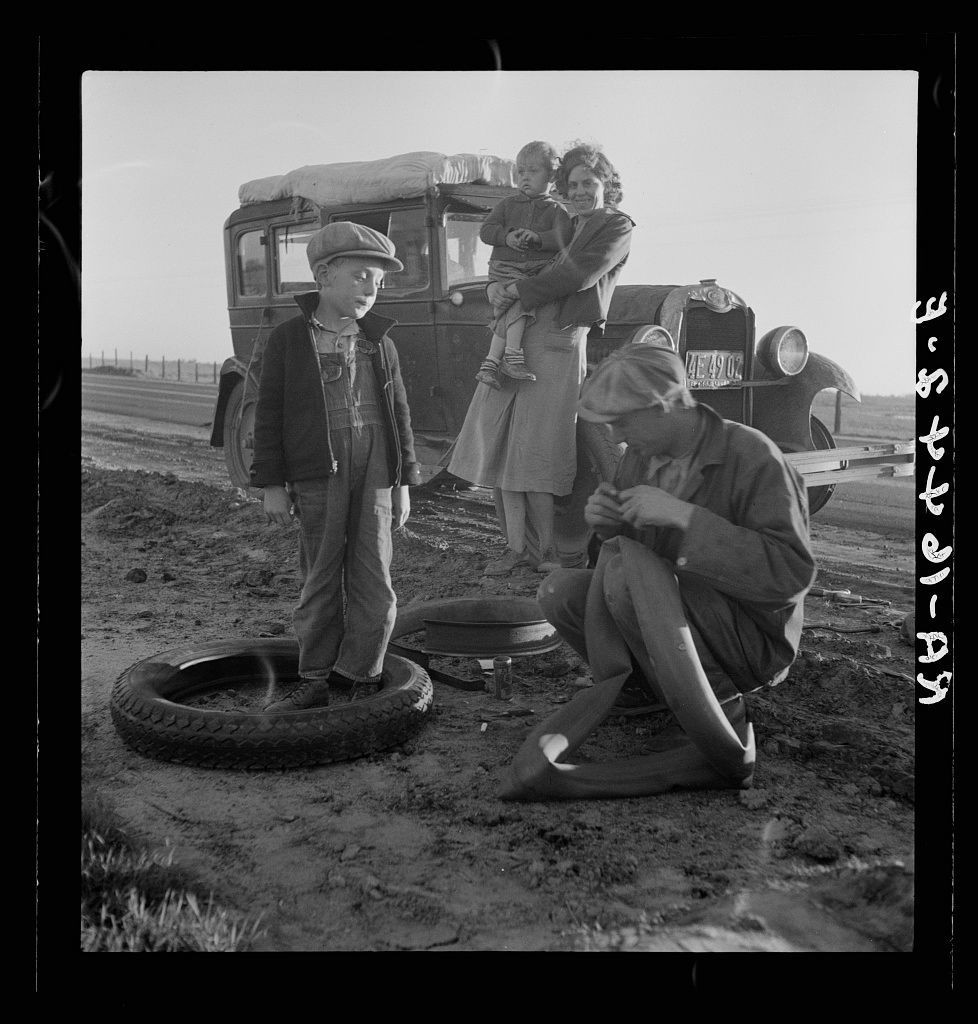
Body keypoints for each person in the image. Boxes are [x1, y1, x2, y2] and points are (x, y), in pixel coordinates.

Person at [499, 344, 816, 801]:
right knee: (559, 591)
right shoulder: (642, 456)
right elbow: (629, 551)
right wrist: (608, 523)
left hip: (749, 639)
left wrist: (684, 517)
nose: (613, 434)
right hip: (674, 619)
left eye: (622, 421)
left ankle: (716, 709)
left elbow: (789, 576)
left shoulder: (752, 455)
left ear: (664, 406)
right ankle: (646, 692)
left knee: (626, 582)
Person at [249, 222, 421, 711]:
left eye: (378, 282)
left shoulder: (380, 342)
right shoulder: (288, 340)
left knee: (375, 577)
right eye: (361, 276)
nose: (371, 289)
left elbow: (400, 416)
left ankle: (359, 677)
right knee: (321, 575)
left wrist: (403, 482)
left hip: (376, 471)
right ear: (323, 275)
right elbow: (268, 414)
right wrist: (272, 483)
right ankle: (316, 676)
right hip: (317, 470)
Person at [448, 143, 634, 576]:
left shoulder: (615, 226)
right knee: (501, 443)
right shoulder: (562, 219)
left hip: (557, 343)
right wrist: (494, 288)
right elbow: (512, 259)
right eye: (573, 184)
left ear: (607, 184)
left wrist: (513, 290)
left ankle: (549, 552)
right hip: (518, 332)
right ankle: (516, 547)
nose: (581, 191)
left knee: (538, 452)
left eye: (589, 182)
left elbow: (577, 275)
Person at [475, 141, 572, 389]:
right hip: (505, 268)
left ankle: (490, 364)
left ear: (551, 177)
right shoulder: (507, 205)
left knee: (509, 309)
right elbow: (486, 230)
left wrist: (539, 238)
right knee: (520, 305)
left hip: (532, 271)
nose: (525, 177)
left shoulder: (557, 210)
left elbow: (563, 237)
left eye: (533, 171)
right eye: (521, 172)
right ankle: (512, 357)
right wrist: (506, 236)